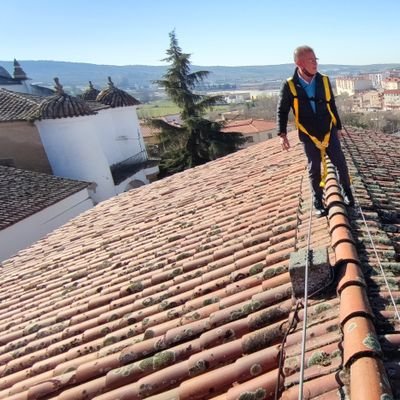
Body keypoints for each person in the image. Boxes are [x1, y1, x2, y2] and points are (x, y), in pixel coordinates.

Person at [277, 45, 354, 217]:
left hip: (328, 129)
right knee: (314, 168)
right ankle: (318, 200)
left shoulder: (324, 80)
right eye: (311, 60)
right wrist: (282, 135)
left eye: (316, 60)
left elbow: (331, 104)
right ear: (299, 63)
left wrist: (338, 128)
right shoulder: (289, 85)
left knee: (340, 162)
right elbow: (282, 111)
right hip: (308, 133)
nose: (315, 63)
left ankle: (347, 192)